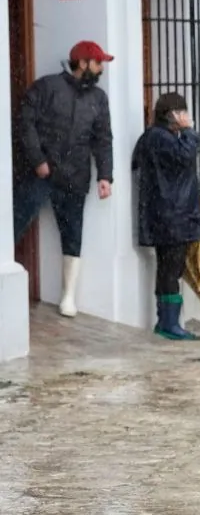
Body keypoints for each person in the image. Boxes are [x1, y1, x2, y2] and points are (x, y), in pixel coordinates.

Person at [11, 40, 114, 317]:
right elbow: (25, 123)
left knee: (73, 235)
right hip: (40, 173)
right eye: (98, 62)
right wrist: (38, 160)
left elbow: (103, 139)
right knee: (14, 222)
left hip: (76, 176)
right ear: (83, 63)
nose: (101, 68)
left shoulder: (98, 98)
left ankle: (68, 296)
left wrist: (106, 175)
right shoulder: (47, 87)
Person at [132, 93, 200, 341]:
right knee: (170, 269)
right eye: (183, 112)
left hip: (170, 214)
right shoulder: (160, 137)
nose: (187, 117)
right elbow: (185, 157)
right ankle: (168, 323)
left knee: (169, 268)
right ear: (173, 114)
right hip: (172, 215)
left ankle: (168, 320)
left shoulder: (158, 137)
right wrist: (189, 131)